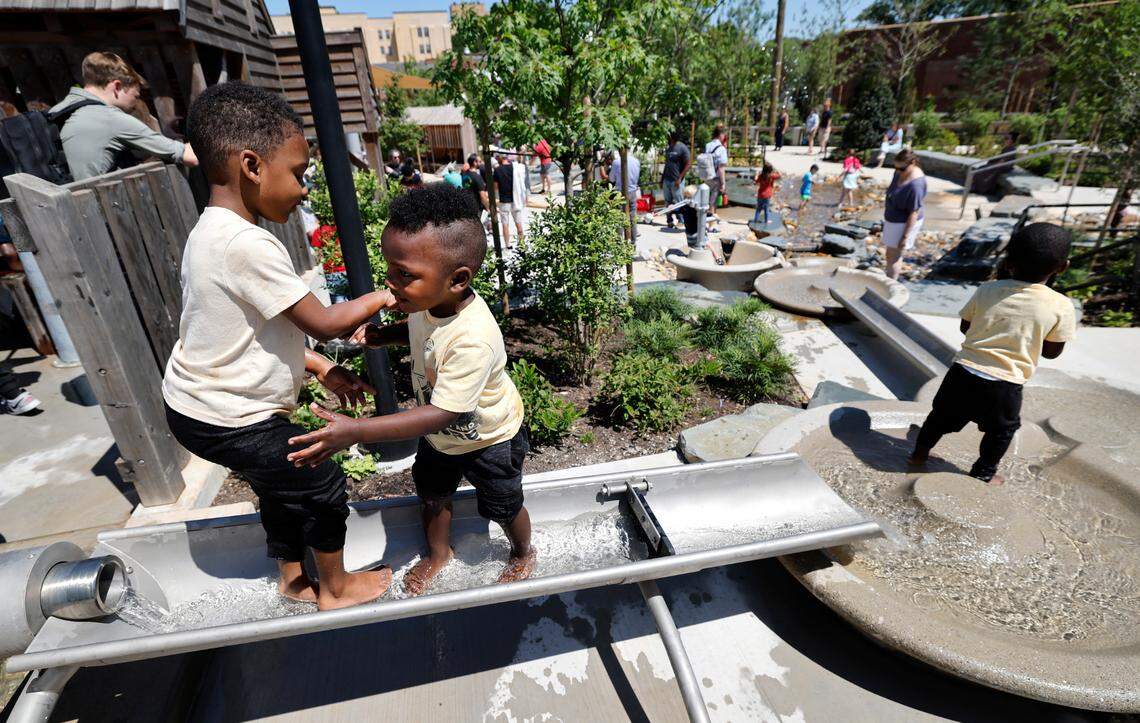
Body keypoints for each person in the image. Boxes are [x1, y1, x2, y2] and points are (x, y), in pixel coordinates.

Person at [162, 82, 396, 610]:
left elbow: (244, 332)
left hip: (202, 407)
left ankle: (293, 578)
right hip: (227, 414)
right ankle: (335, 589)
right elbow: (329, 321)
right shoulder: (246, 244)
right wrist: (386, 293)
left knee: (284, 483)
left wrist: (317, 368)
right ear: (251, 165)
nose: (304, 189)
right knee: (320, 477)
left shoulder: (210, 232)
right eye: (298, 173)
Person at [289, 183, 535, 594]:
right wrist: (388, 337)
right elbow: (424, 333)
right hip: (442, 441)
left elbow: (444, 413)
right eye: (389, 270)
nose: (392, 284)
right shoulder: (428, 303)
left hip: (489, 438)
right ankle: (440, 554)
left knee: (504, 504)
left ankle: (522, 551)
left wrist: (357, 430)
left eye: (405, 275)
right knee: (432, 495)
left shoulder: (473, 337)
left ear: (458, 279)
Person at [908, 223, 1076, 484]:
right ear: (1063, 267)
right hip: (1005, 383)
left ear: (1009, 262)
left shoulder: (987, 290)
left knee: (939, 417)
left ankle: (918, 455)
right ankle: (983, 473)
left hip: (963, 372)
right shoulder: (1061, 306)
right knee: (1002, 431)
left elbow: (966, 326)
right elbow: (1052, 352)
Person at [51, 52, 197, 182]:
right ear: (117, 86)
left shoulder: (59, 111)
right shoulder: (110, 118)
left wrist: (165, 139)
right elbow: (190, 157)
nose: (136, 103)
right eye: (136, 96)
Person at [881, 149, 927, 280]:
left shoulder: (916, 185)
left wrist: (904, 237)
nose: (897, 171)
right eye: (895, 167)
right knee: (890, 254)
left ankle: (890, 285)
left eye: (901, 169)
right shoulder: (900, 171)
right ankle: (889, 278)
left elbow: (914, 212)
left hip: (904, 223)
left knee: (895, 256)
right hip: (893, 220)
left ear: (912, 163)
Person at [493, 152, 526, 248]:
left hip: (504, 200)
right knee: (519, 223)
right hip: (516, 199)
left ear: (499, 158)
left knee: (505, 224)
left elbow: (495, 187)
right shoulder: (515, 168)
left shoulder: (497, 170)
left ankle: (507, 245)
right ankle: (522, 244)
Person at [661, 131, 691, 229]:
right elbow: (667, 164)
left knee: (679, 202)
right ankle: (669, 221)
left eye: (669, 135)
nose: (667, 136)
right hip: (667, 180)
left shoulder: (682, 148)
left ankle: (681, 221)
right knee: (667, 201)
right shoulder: (669, 148)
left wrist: (680, 178)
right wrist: (662, 179)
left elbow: (688, 164)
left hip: (676, 180)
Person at [702, 125, 729, 234]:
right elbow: (721, 168)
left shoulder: (708, 145)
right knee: (712, 204)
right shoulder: (721, 149)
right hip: (716, 178)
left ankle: (703, 224)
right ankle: (711, 227)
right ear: (721, 135)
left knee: (705, 202)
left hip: (706, 176)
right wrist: (723, 184)